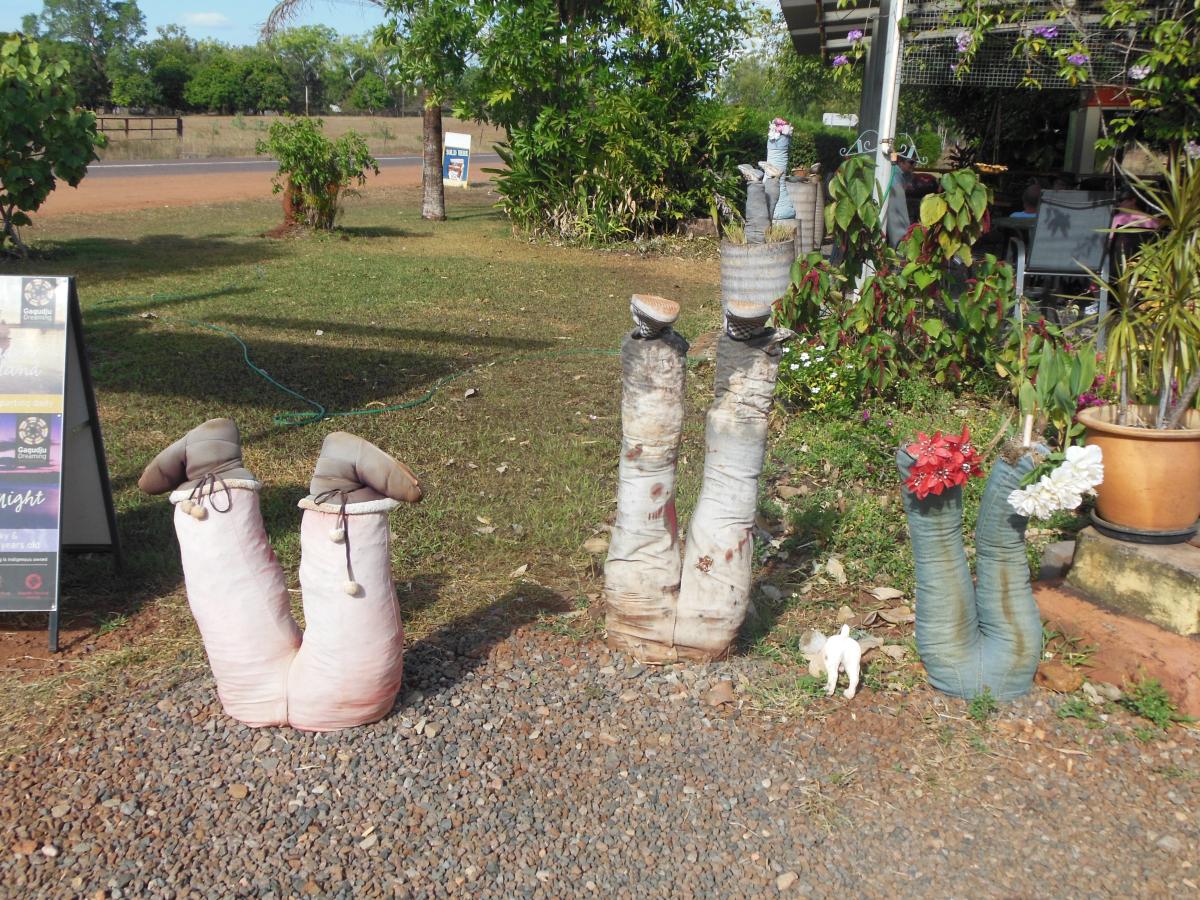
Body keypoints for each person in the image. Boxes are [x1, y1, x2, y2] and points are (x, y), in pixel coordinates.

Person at [885, 146, 917, 246]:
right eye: (911, 162)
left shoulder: (907, 174)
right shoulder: (894, 169)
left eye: (915, 163)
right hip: (893, 201)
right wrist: (893, 151)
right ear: (901, 161)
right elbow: (894, 160)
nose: (913, 165)